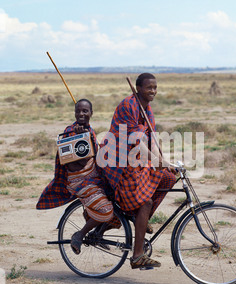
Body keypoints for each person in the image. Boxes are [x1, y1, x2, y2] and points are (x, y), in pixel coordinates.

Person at [98, 73, 177, 269]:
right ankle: (137, 255)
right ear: (138, 88)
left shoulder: (147, 109)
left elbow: (152, 139)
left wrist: (165, 162)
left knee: (167, 178)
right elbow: (135, 142)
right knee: (145, 202)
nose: (153, 91)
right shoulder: (128, 106)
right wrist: (159, 161)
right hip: (117, 162)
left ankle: (139, 219)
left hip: (134, 159)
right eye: (149, 88)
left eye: (155, 88)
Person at [36, 99, 117, 254]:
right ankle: (79, 235)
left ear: (91, 113)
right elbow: (74, 163)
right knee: (107, 211)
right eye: (78, 111)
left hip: (93, 176)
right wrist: (81, 140)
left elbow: (95, 154)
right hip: (79, 180)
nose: (81, 114)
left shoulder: (89, 130)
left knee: (119, 198)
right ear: (74, 113)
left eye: (85, 111)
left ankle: (98, 234)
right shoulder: (70, 132)